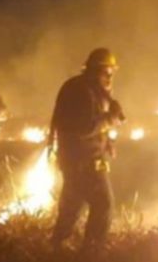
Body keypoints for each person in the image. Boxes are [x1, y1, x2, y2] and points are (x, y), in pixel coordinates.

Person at [48, 48, 125, 248]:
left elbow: (94, 126)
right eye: (107, 72)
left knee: (72, 206)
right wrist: (111, 119)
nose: (110, 77)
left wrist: (109, 143)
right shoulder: (81, 91)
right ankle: (91, 257)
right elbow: (84, 127)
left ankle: (56, 248)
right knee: (103, 206)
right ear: (96, 70)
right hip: (84, 161)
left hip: (76, 160)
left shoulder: (90, 90)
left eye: (112, 73)